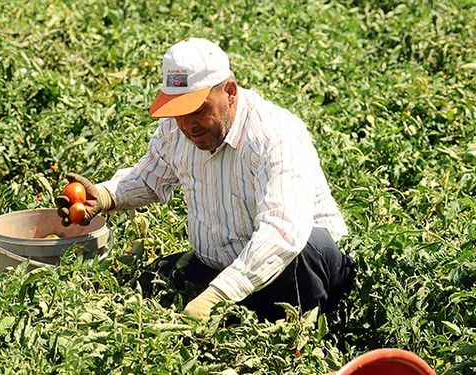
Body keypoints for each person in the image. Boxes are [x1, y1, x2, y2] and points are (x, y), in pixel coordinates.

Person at [56, 37, 355, 322]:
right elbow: (150, 178)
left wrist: (218, 296)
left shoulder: (274, 137)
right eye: (178, 112)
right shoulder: (176, 129)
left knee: (307, 247)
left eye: (198, 109)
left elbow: (282, 232)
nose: (187, 124)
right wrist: (106, 196)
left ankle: (296, 335)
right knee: (149, 283)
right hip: (224, 266)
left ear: (230, 92)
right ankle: (238, 308)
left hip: (297, 268)